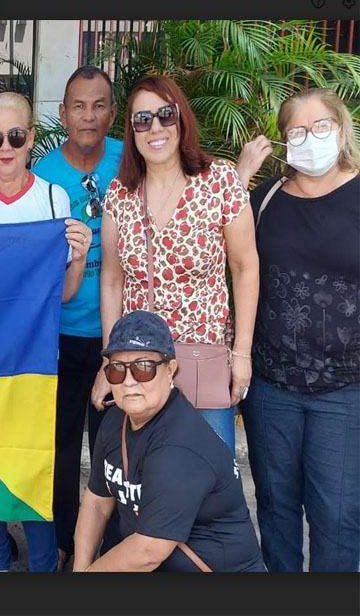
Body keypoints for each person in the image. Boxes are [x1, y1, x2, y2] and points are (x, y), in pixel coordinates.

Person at [0, 91, 92, 572]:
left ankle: (42, 564)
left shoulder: (53, 198)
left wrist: (77, 255)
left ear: (31, 138)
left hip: (36, 358)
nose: (6, 146)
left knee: (34, 462)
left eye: (16, 135)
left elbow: (61, 294)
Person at [96, 74, 260, 454]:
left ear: (181, 118)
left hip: (204, 359)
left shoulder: (219, 181)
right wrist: (110, 363)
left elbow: (245, 267)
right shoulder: (120, 193)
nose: (155, 127)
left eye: (165, 115)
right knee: (143, 483)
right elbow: (111, 282)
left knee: (210, 480)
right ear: (132, 130)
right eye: (142, 119)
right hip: (138, 368)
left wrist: (243, 354)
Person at [235, 88, 360, 571]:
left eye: (322, 127)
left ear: (341, 128)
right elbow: (220, 247)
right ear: (284, 141)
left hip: (343, 389)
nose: (312, 139)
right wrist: (242, 176)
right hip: (270, 385)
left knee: (339, 515)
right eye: (298, 131)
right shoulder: (265, 198)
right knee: (276, 508)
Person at [73, 310, 265, 572]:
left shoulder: (180, 444)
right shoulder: (116, 419)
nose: (128, 382)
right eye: (116, 370)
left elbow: (148, 552)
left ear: (170, 370)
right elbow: (96, 503)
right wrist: (80, 568)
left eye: (143, 368)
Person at [31, 66, 122, 570]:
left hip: (117, 334)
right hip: (61, 335)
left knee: (114, 446)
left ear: (113, 112)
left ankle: (114, 543)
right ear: (63, 114)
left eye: (99, 105)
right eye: (78, 106)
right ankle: (64, 541)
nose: (89, 116)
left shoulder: (130, 162)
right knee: (62, 449)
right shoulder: (43, 174)